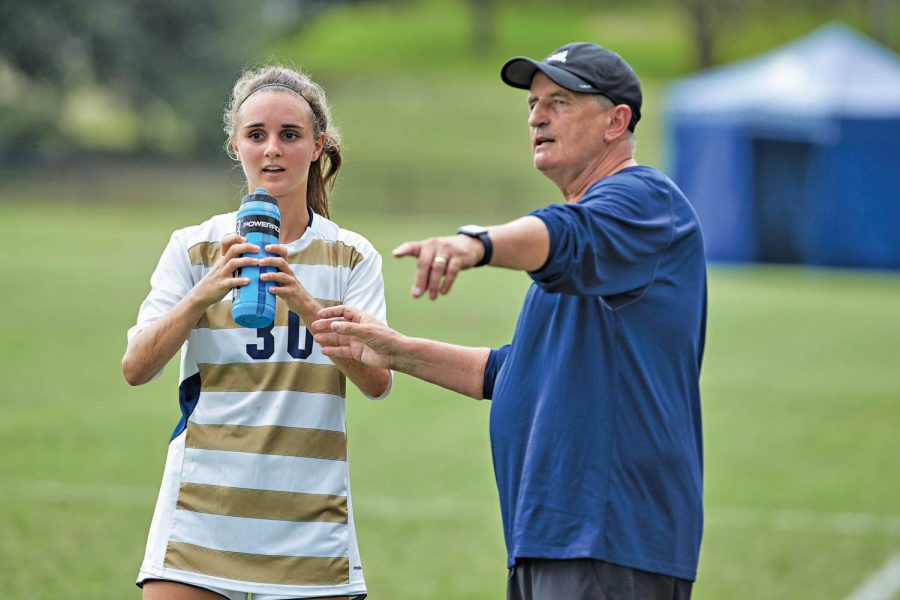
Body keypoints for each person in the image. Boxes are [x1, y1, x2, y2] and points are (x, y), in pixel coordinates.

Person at [311, 42, 707, 600]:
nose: (537, 115)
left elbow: (564, 235)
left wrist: (477, 243)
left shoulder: (643, 200)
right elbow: (510, 372)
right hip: (553, 538)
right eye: (533, 103)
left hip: (611, 539)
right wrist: (392, 349)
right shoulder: (600, 228)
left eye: (561, 101)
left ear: (617, 121)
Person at [122, 64, 391, 600]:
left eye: (289, 135)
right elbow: (136, 367)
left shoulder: (352, 256)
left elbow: (377, 379)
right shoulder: (194, 248)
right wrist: (205, 292)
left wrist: (309, 306)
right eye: (257, 135)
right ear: (235, 146)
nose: (272, 149)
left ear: (317, 147)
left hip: (309, 522)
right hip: (201, 512)